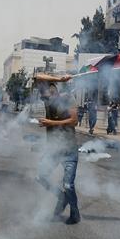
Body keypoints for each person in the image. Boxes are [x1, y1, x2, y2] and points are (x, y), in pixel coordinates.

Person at [33, 73, 80, 224]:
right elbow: (37, 76)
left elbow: (74, 121)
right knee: (41, 176)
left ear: (55, 92)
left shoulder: (68, 99)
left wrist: (51, 123)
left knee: (68, 185)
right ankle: (61, 197)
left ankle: (75, 213)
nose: (45, 99)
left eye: (47, 96)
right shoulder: (46, 100)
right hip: (53, 149)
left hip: (69, 149)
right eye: (44, 96)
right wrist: (60, 79)